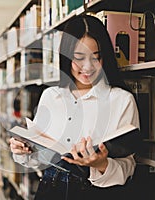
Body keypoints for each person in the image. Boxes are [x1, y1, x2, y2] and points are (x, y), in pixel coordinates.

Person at [9, 14, 140, 200]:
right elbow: (38, 158)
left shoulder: (121, 100)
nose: (87, 67)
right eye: (79, 58)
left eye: (96, 58)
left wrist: (101, 165)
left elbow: (129, 168)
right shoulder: (51, 97)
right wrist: (23, 150)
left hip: (95, 193)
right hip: (49, 188)